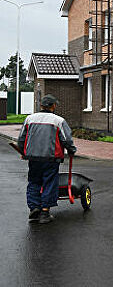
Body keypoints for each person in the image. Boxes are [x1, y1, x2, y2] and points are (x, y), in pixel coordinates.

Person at [17, 94, 77, 224]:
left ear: (41, 105)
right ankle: (44, 212)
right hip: (51, 158)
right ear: (53, 106)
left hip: (33, 158)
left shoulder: (29, 119)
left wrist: (22, 151)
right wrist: (72, 150)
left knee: (34, 182)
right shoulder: (58, 121)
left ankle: (34, 208)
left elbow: (21, 138)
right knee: (49, 182)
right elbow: (66, 140)